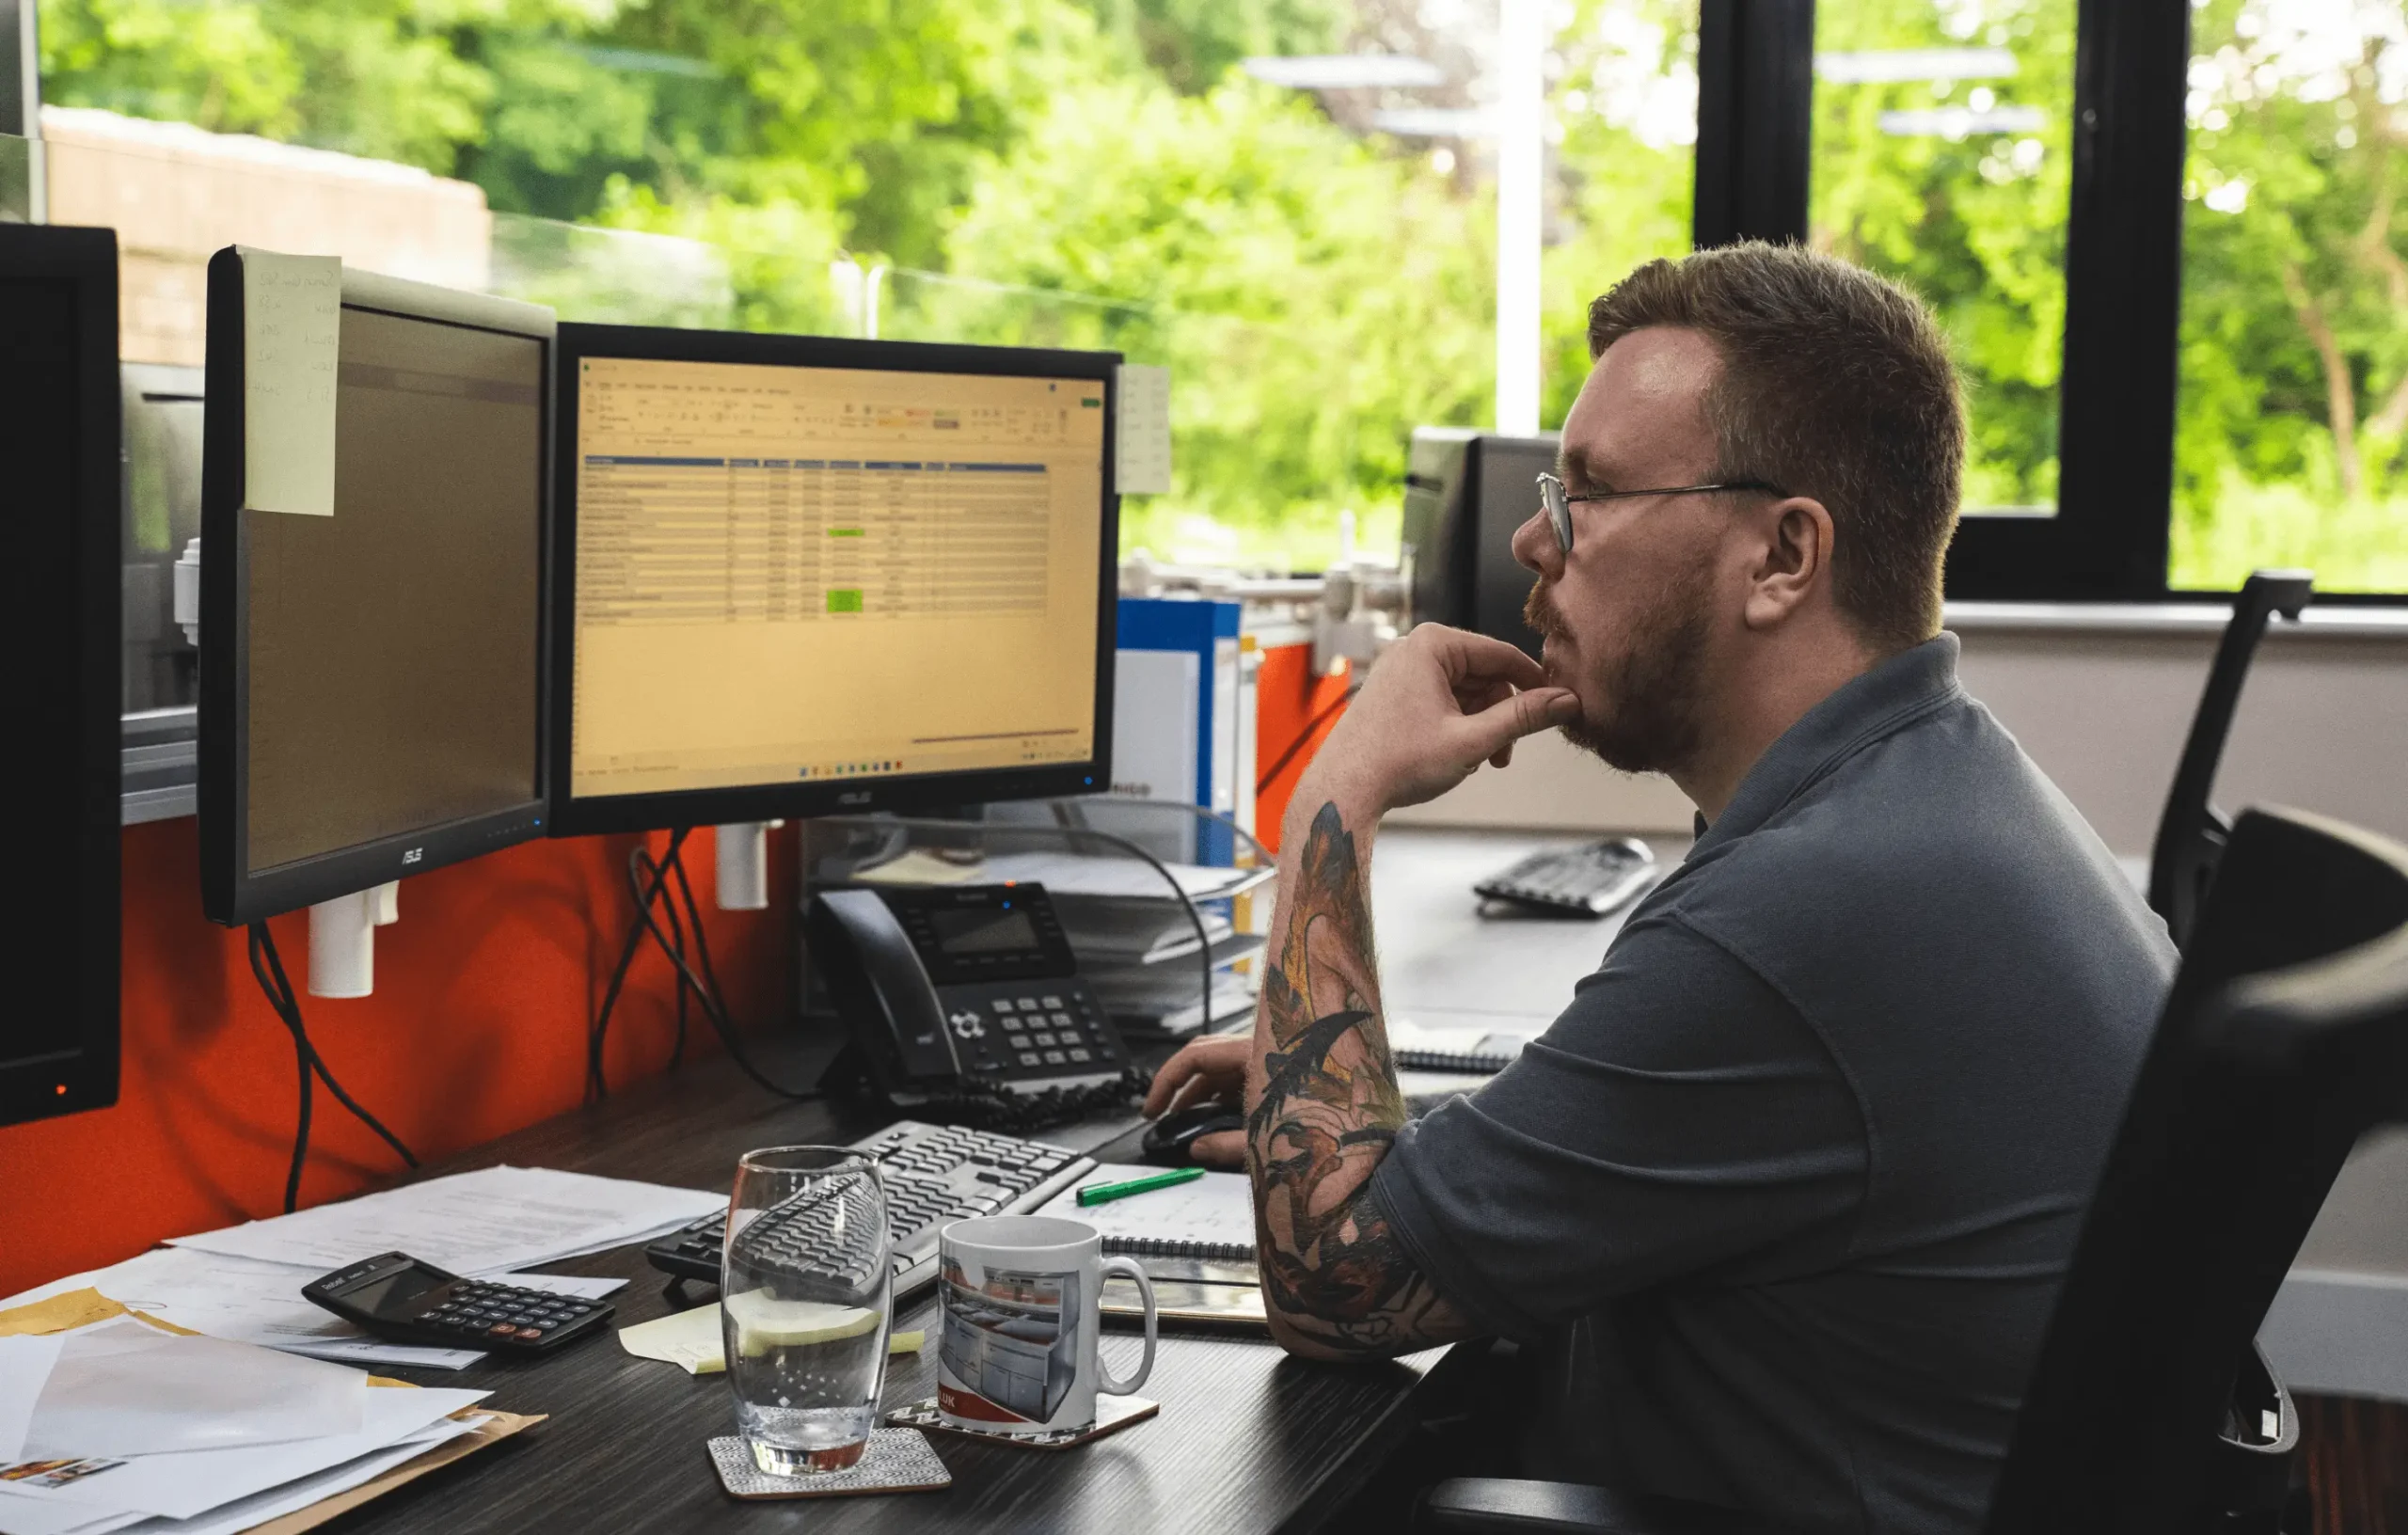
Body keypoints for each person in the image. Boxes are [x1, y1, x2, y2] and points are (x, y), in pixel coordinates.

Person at [1143, 242, 2175, 1532]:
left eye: (1590, 493)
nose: (1533, 537)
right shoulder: (1938, 791)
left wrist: (1333, 806)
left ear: (1783, 558)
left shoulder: (1811, 910)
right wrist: (1329, 1075)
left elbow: (1330, 1287)